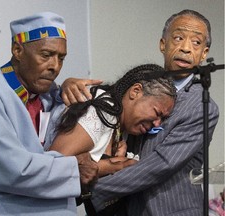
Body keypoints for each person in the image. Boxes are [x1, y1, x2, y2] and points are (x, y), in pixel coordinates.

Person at [0, 12, 98, 216]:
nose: (55, 67)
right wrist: (74, 167)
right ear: (18, 50)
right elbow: (12, 171)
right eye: (46, 55)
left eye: (61, 58)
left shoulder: (53, 96)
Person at [88, 9, 219, 216]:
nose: (185, 48)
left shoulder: (202, 107)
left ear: (204, 54)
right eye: (178, 38)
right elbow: (108, 108)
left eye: (196, 42)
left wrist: (91, 190)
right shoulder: (140, 83)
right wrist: (68, 86)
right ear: (163, 44)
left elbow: (161, 164)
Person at [50, 64, 177, 178]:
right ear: (135, 91)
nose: (157, 124)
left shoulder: (123, 125)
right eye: (156, 113)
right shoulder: (102, 111)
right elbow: (51, 166)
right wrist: (113, 166)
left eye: (162, 119)